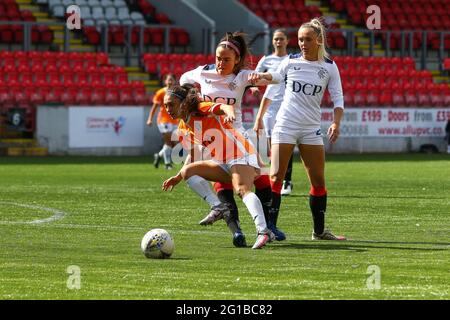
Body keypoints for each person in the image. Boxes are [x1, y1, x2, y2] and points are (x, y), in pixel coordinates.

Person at [179, 32, 282, 246]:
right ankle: (234, 226)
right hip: (212, 139)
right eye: (218, 57)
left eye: (226, 59)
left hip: (236, 137)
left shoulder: (242, 76)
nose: (220, 63)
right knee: (220, 183)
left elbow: (278, 78)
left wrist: (258, 77)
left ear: (236, 60)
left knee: (258, 180)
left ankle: (268, 226)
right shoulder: (203, 73)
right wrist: (193, 95)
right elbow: (182, 80)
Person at [249, 18, 347, 240]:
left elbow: (338, 98)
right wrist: (261, 77)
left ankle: (319, 231)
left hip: (311, 127)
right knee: (275, 176)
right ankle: (268, 229)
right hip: (285, 124)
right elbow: (274, 78)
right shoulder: (291, 62)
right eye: (301, 39)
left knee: (318, 181)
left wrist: (336, 122)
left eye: (308, 39)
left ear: (319, 41)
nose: (303, 43)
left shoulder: (329, 67)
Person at [161, 84, 275, 249]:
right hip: (222, 161)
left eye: (171, 104)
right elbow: (194, 155)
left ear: (183, 103)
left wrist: (229, 114)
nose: (168, 109)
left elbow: (224, 106)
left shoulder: (200, 108)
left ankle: (263, 232)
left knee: (242, 190)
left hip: (240, 153)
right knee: (188, 171)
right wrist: (178, 177)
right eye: (165, 105)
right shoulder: (182, 128)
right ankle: (219, 207)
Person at [254, 29, 295, 198]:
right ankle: (275, 177)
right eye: (276, 39)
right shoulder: (266, 59)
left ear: (287, 41)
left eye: (281, 39)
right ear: (273, 41)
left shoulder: (291, 60)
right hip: (270, 107)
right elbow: (254, 76)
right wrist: (255, 86)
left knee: (286, 142)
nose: (278, 42)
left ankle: (287, 180)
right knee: (273, 146)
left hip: (288, 105)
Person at [147, 73, 179, 170]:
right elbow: (154, 107)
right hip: (163, 120)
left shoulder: (177, 92)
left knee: (173, 144)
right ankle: (167, 164)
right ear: (165, 81)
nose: (170, 82)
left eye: (171, 80)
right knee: (169, 142)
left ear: (174, 81)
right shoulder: (161, 92)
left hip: (174, 121)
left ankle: (159, 155)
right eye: (168, 80)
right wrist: (150, 119)